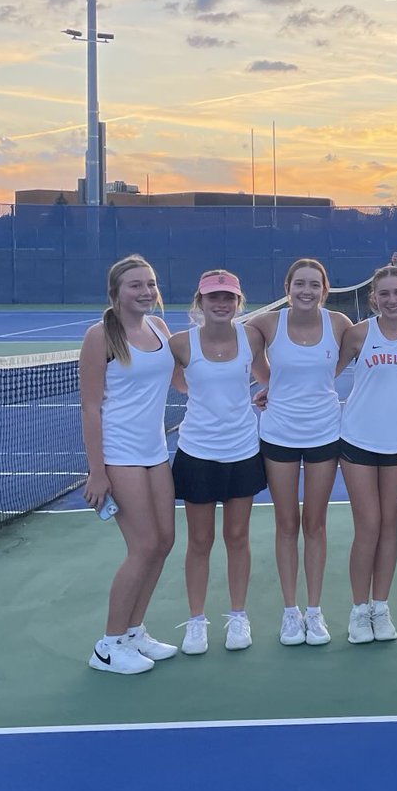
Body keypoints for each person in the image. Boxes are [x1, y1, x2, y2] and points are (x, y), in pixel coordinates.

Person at [79, 255, 178, 674]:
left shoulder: (158, 327)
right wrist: (97, 470)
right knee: (141, 547)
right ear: (116, 293)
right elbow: (89, 407)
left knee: (164, 542)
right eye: (135, 285)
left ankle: (134, 631)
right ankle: (108, 645)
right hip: (119, 455)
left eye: (150, 284)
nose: (145, 291)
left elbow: (180, 380)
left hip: (156, 452)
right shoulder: (100, 336)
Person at [251, 258, 353, 646]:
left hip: (325, 433)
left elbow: (338, 365)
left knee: (315, 523)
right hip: (278, 435)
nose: (306, 291)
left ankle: (314, 610)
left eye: (314, 285)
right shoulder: (266, 325)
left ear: (324, 290)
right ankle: (290, 612)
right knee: (286, 524)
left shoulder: (340, 325)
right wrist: (270, 384)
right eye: (299, 284)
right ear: (287, 287)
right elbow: (236, 347)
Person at [169, 269, 270, 655]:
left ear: (238, 303)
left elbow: (265, 376)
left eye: (228, 297)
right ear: (200, 302)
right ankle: (196, 622)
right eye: (213, 297)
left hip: (243, 451)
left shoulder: (251, 339)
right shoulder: (180, 344)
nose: (221, 304)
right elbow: (178, 382)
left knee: (237, 538)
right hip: (197, 453)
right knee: (199, 540)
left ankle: (238, 616)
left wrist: (265, 390)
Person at [336, 265, 397, 643]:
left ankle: (381, 606)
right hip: (357, 439)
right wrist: (273, 391)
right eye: (384, 294)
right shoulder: (359, 334)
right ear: (373, 298)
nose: (392, 300)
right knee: (369, 525)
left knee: (389, 525)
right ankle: (359, 610)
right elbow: (325, 373)